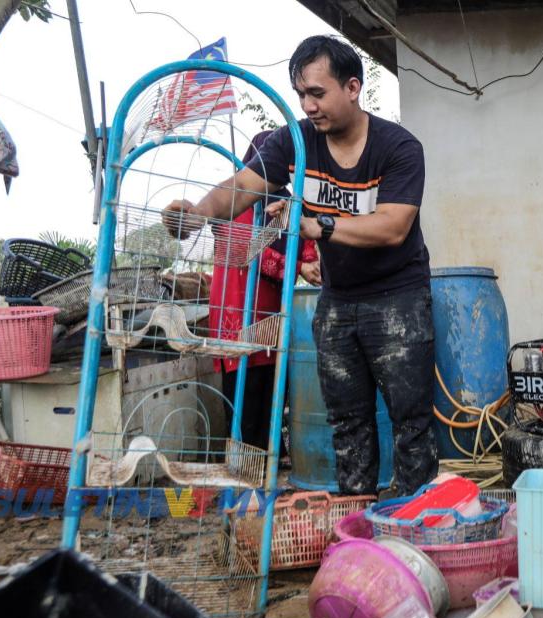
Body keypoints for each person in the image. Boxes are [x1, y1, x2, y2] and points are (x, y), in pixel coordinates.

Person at [162, 35, 435, 496]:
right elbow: (243, 184)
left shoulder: (399, 147)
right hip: (337, 299)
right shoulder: (295, 141)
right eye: (301, 95)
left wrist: (316, 226)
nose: (308, 106)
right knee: (347, 422)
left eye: (317, 93)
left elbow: (392, 227)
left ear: (352, 87)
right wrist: (200, 211)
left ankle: (416, 525)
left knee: (411, 420)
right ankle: (357, 522)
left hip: (398, 298)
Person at [207, 130, 321, 449]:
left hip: (271, 317)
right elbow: (248, 251)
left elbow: (307, 244)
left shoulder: (282, 202)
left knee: (273, 392)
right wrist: (299, 267)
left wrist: (308, 254)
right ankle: (244, 466)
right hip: (237, 313)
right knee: (244, 396)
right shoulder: (237, 201)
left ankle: (269, 457)